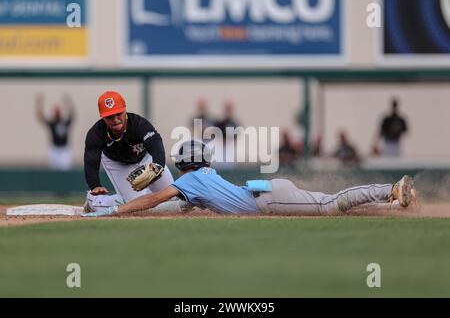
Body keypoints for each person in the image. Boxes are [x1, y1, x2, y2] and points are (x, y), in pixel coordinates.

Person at [82, 140, 417, 218]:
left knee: (331, 205)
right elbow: (180, 206)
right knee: (331, 205)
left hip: (266, 199)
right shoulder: (200, 178)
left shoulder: (189, 181)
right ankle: (384, 198)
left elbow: (155, 199)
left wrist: (115, 210)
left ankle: (389, 189)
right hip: (266, 192)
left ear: (185, 163)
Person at [83, 91, 175, 211]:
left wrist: (158, 165)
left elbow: (155, 144)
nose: (115, 119)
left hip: (146, 158)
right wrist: (94, 185)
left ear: (125, 110)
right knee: (135, 205)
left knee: (171, 196)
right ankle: (93, 202)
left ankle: (144, 193)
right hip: (117, 163)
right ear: (103, 117)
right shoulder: (96, 133)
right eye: (110, 116)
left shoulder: (138, 124)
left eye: (118, 114)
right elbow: (91, 162)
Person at [35, 93, 75, 170]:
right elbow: (41, 118)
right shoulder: (52, 123)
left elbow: (72, 116)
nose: (57, 114)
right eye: (56, 113)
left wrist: (69, 103)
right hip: (54, 149)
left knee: (66, 170)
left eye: (58, 112)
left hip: (64, 150)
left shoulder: (64, 122)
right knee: (54, 170)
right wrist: (39, 104)